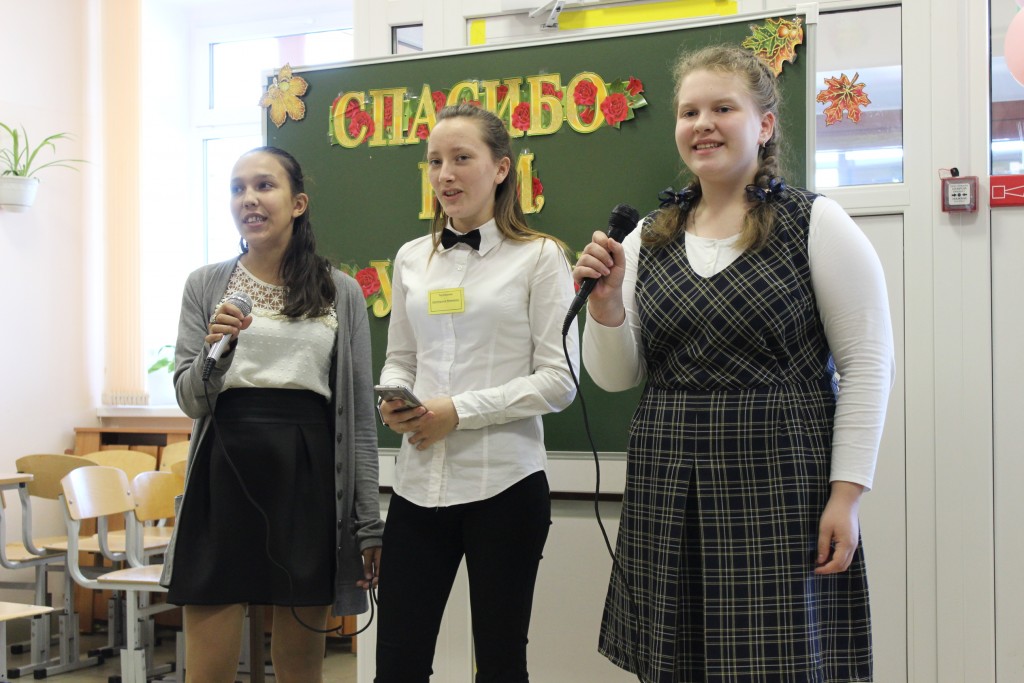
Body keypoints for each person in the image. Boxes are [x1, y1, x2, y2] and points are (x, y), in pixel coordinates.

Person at [572, 45, 895, 683]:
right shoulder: (648, 235)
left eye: (723, 108)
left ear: (765, 124)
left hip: (782, 485)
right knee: (678, 664)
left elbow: (867, 366)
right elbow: (614, 377)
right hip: (668, 483)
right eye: (689, 112)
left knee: (778, 663)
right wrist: (604, 307)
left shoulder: (815, 224)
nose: (703, 124)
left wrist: (847, 496)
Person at [161, 146, 384, 682]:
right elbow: (190, 399)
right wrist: (217, 356)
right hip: (222, 473)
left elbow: (358, 420)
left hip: (307, 477)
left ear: (297, 203)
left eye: (264, 185)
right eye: (237, 188)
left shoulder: (340, 291)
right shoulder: (205, 284)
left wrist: (367, 524)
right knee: (207, 670)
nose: (248, 199)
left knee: (301, 669)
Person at [374, 103, 579, 683]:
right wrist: (395, 398)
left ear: (501, 169)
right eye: (435, 161)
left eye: (462, 158)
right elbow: (402, 356)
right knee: (397, 663)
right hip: (417, 488)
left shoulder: (541, 257)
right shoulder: (412, 258)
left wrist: (458, 412)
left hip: (504, 488)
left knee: (500, 663)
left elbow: (560, 380)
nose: (445, 174)